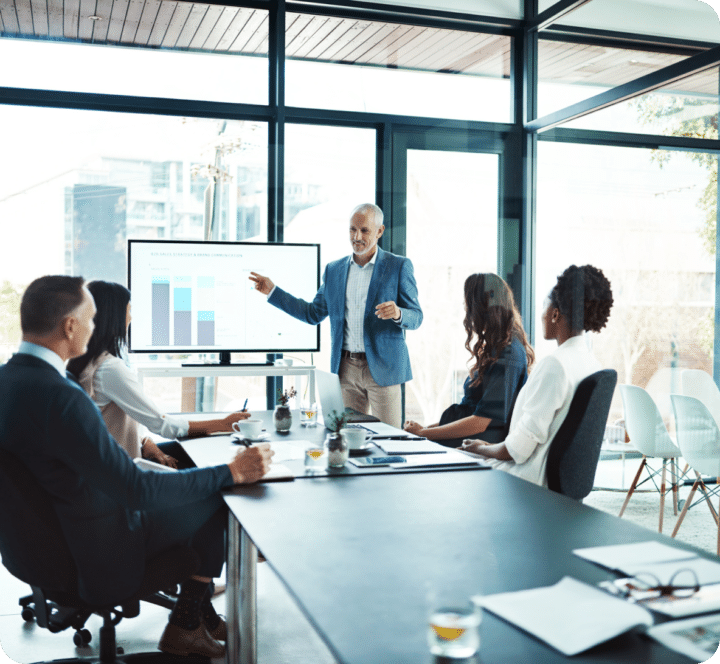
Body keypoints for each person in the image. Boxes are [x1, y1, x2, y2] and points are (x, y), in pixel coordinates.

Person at [0, 276, 274, 658]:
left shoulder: (9, 380)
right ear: (69, 326)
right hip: (99, 550)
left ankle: (196, 618)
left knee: (189, 487)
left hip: (38, 549)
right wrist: (231, 472)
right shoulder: (62, 397)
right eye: (91, 319)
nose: (96, 328)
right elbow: (135, 489)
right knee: (217, 498)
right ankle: (186, 624)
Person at [249, 203, 422, 428]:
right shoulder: (334, 270)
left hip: (384, 369)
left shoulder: (398, 266)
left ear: (380, 231)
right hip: (345, 370)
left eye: (365, 230)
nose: (356, 236)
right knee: (346, 438)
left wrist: (399, 313)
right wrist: (273, 291)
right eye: (352, 229)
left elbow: (416, 316)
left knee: (389, 439)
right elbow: (312, 314)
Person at [67, 280, 251, 468]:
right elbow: (163, 425)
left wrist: (145, 441)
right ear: (114, 316)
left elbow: (108, 423)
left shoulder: (86, 363)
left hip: (106, 464)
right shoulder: (110, 369)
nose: (131, 318)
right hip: (122, 472)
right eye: (129, 311)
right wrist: (222, 424)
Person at [461, 264, 614, 486]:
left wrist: (481, 448)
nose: (541, 314)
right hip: (548, 482)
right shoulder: (592, 364)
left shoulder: (555, 365)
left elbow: (517, 450)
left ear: (554, 314)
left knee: (449, 463)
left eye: (544, 306)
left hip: (524, 481)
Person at [403, 273, 533, 447]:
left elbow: (480, 421)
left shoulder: (508, 354)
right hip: (468, 439)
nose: (465, 309)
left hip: (477, 444)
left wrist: (424, 433)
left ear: (483, 308)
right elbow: (470, 412)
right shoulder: (497, 348)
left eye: (469, 304)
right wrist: (423, 430)